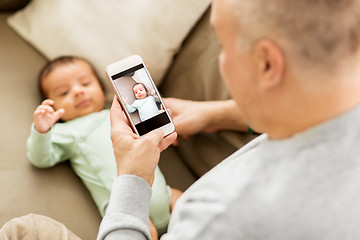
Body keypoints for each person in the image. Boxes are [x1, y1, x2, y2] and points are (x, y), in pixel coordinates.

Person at [97, 0, 360, 239]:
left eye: (223, 46)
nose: (221, 60)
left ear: (267, 64)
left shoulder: (221, 214)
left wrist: (133, 177)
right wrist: (215, 114)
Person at [26, 56, 181, 238]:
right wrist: (42, 131)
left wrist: (164, 133)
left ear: (101, 87)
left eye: (85, 84)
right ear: (52, 104)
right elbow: (41, 158)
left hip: (164, 195)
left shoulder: (118, 115)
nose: (78, 92)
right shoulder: (69, 130)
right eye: (63, 93)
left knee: (189, 201)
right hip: (126, 207)